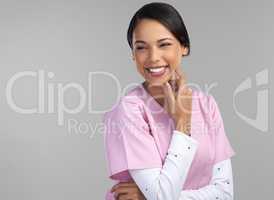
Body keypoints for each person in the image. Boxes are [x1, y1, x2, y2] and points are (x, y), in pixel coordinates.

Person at [103, 2, 235, 200]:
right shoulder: (130, 110)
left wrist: (149, 196)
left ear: (184, 47)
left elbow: (224, 193)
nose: (153, 57)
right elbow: (161, 196)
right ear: (133, 54)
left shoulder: (207, 105)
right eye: (141, 47)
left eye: (164, 44)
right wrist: (182, 124)